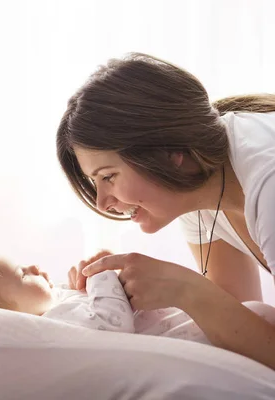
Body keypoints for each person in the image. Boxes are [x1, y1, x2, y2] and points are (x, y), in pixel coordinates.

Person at [55, 52, 275, 369]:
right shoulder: (196, 188)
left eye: (108, 177)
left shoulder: (267, 182)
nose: (102, 202)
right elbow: (241, 317)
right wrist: (123, 296)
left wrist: (185, 288)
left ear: (169, 153)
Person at [0, 251, 275, 344]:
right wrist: (99, 279)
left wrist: (87, 286)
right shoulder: (54, 324)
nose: (35, 265)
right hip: (208, 339)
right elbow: (112, 326)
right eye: (23, 273)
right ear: (10, 313)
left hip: (225, 323)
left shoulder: (61, 308)